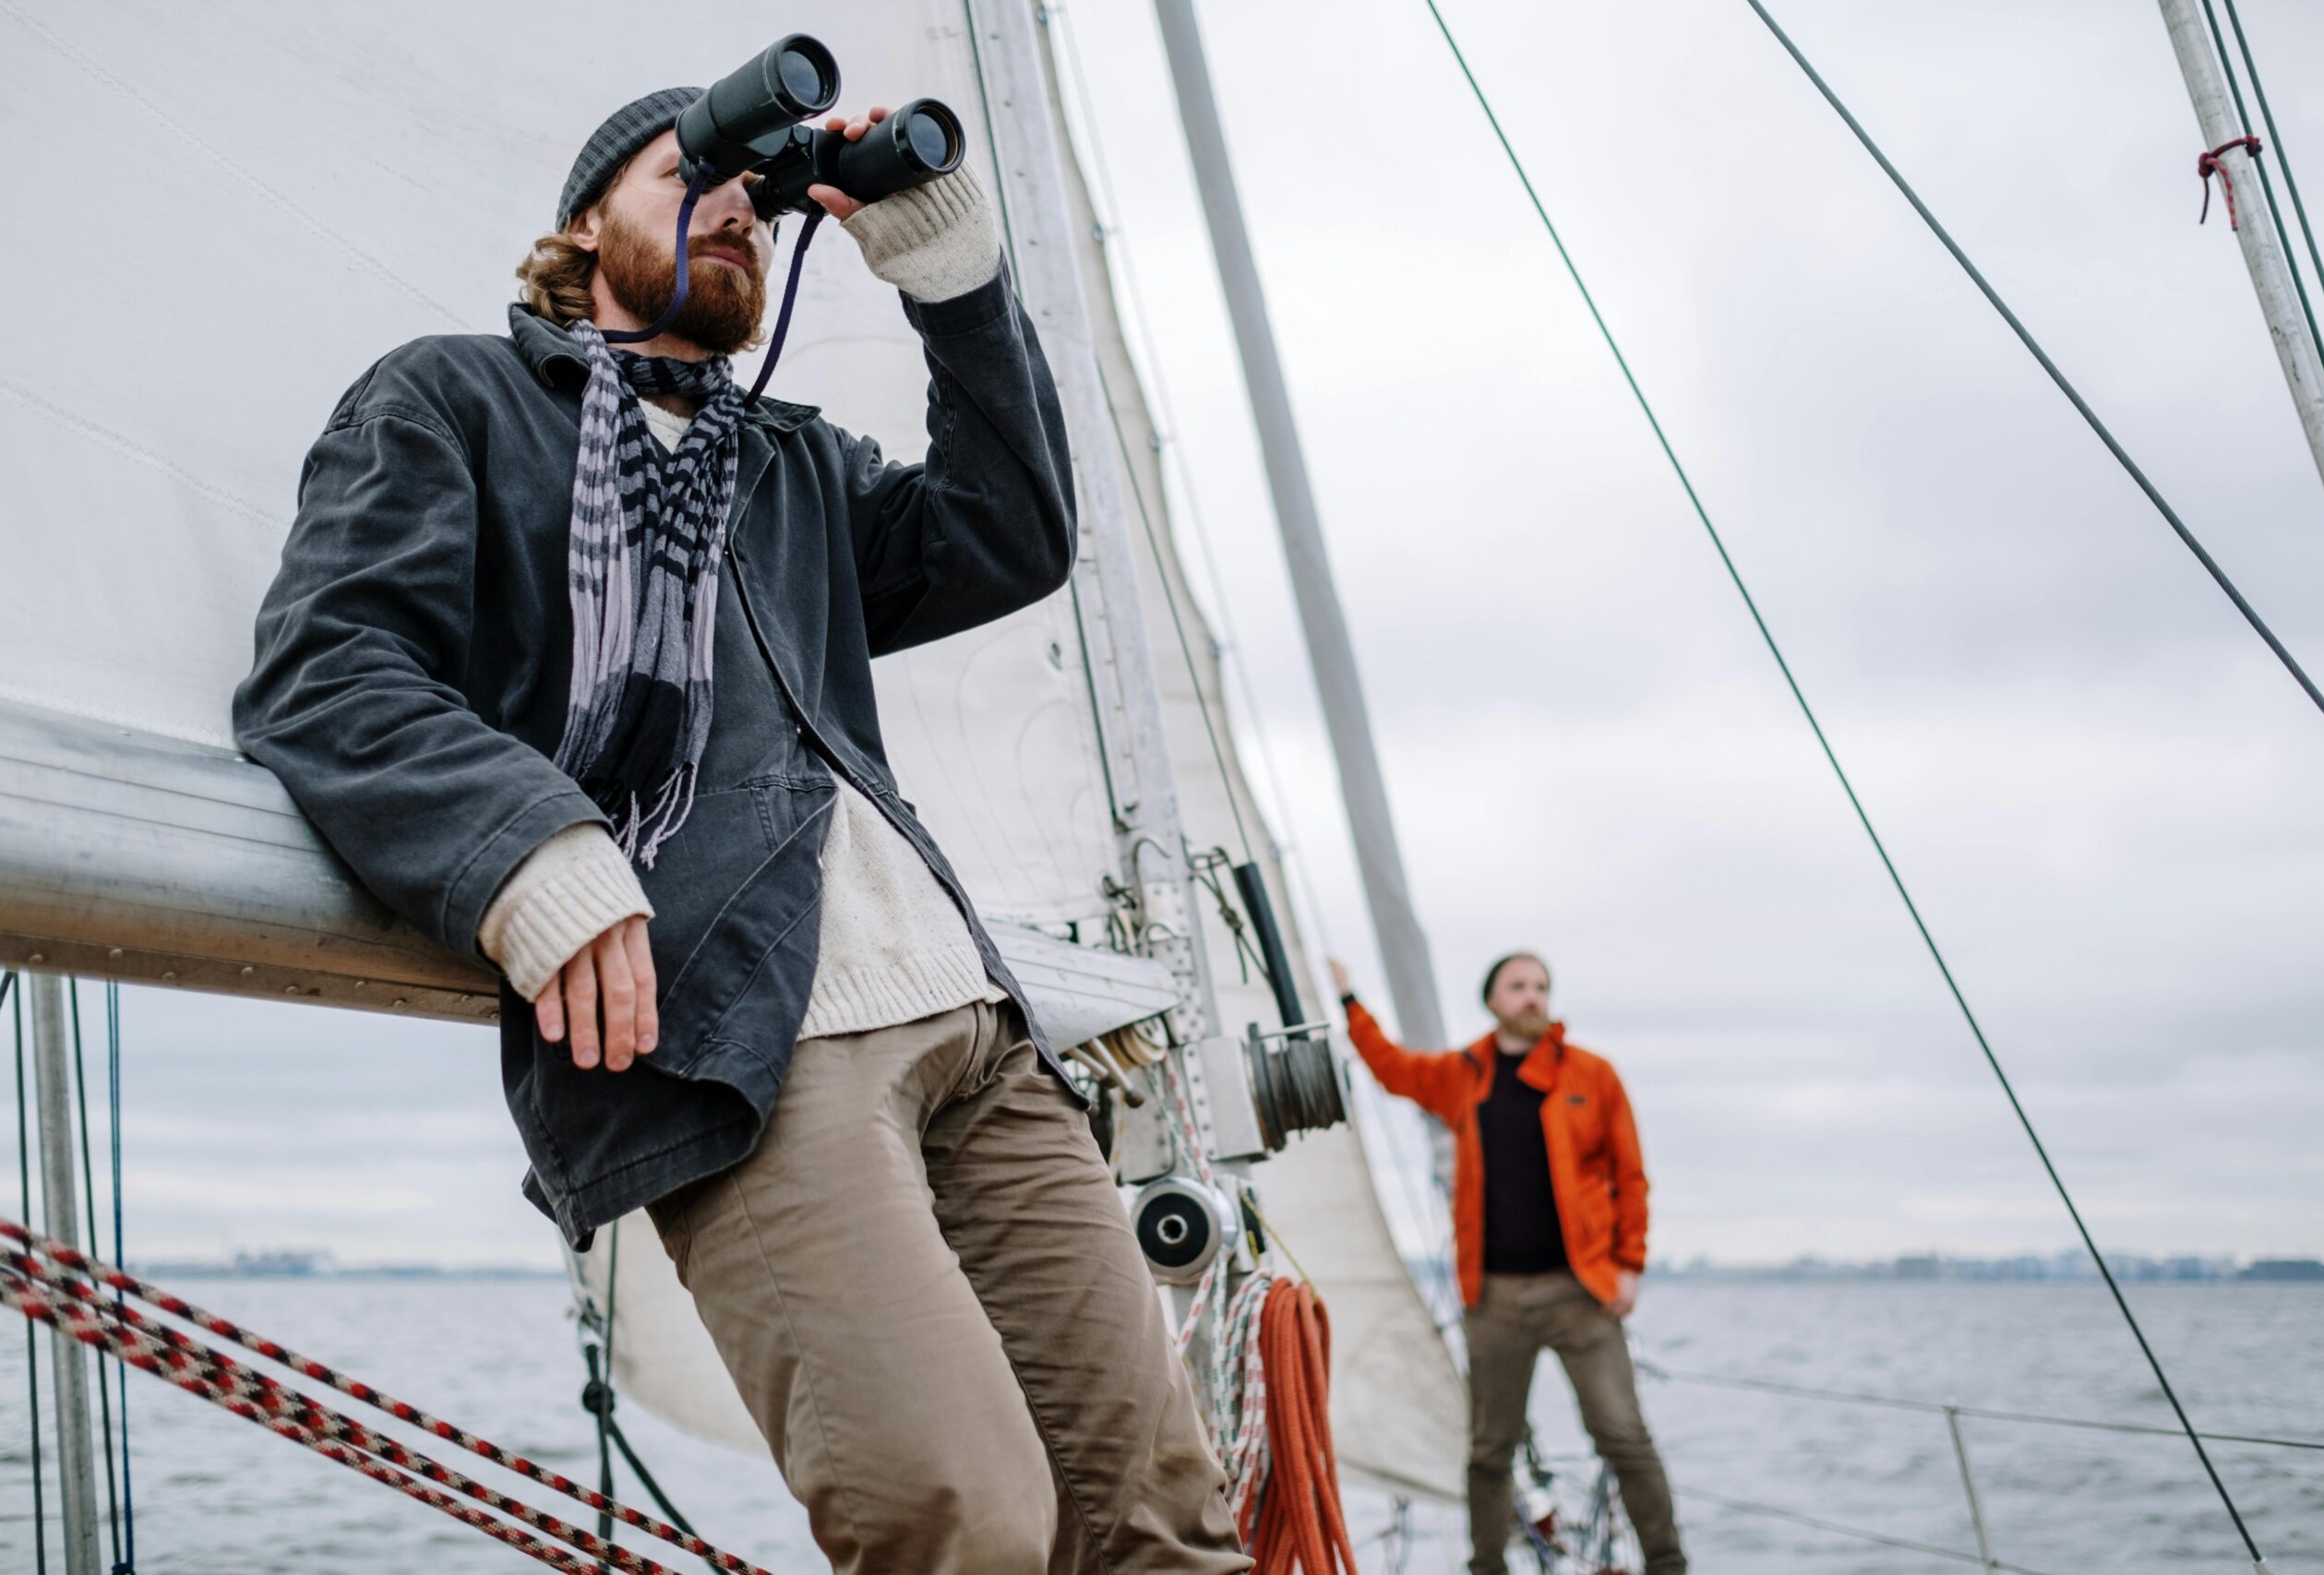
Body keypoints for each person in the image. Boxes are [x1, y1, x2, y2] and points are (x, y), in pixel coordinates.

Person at [234, 83, 1247, 1575]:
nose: (732, 206)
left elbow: (1009, 534)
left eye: (755, 198)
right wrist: (529, 841)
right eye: (686, 172)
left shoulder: (788, 466)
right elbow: (329, 668)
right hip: (741, 1044)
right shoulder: (452, 402)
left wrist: (950, 277)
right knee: (966, 1523)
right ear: (582, 227)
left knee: (1162, 1517)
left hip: (972, 1019)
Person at [1329, 952, 1684, 1575]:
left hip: (1582, 1293)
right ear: (1492, 1000)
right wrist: (1350, 1002)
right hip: (1493, 1299)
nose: (1533, 997)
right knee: (1490, 1451)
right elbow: (1394, 1070)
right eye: (1518, 986)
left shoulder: (1594, 1074)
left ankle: (1669, 1565)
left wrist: (1630, 1265)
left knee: (1624, 1436)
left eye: (1541, 986)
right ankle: (1487, 1567)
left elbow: (1632, 1176)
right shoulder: (1464, 1073)